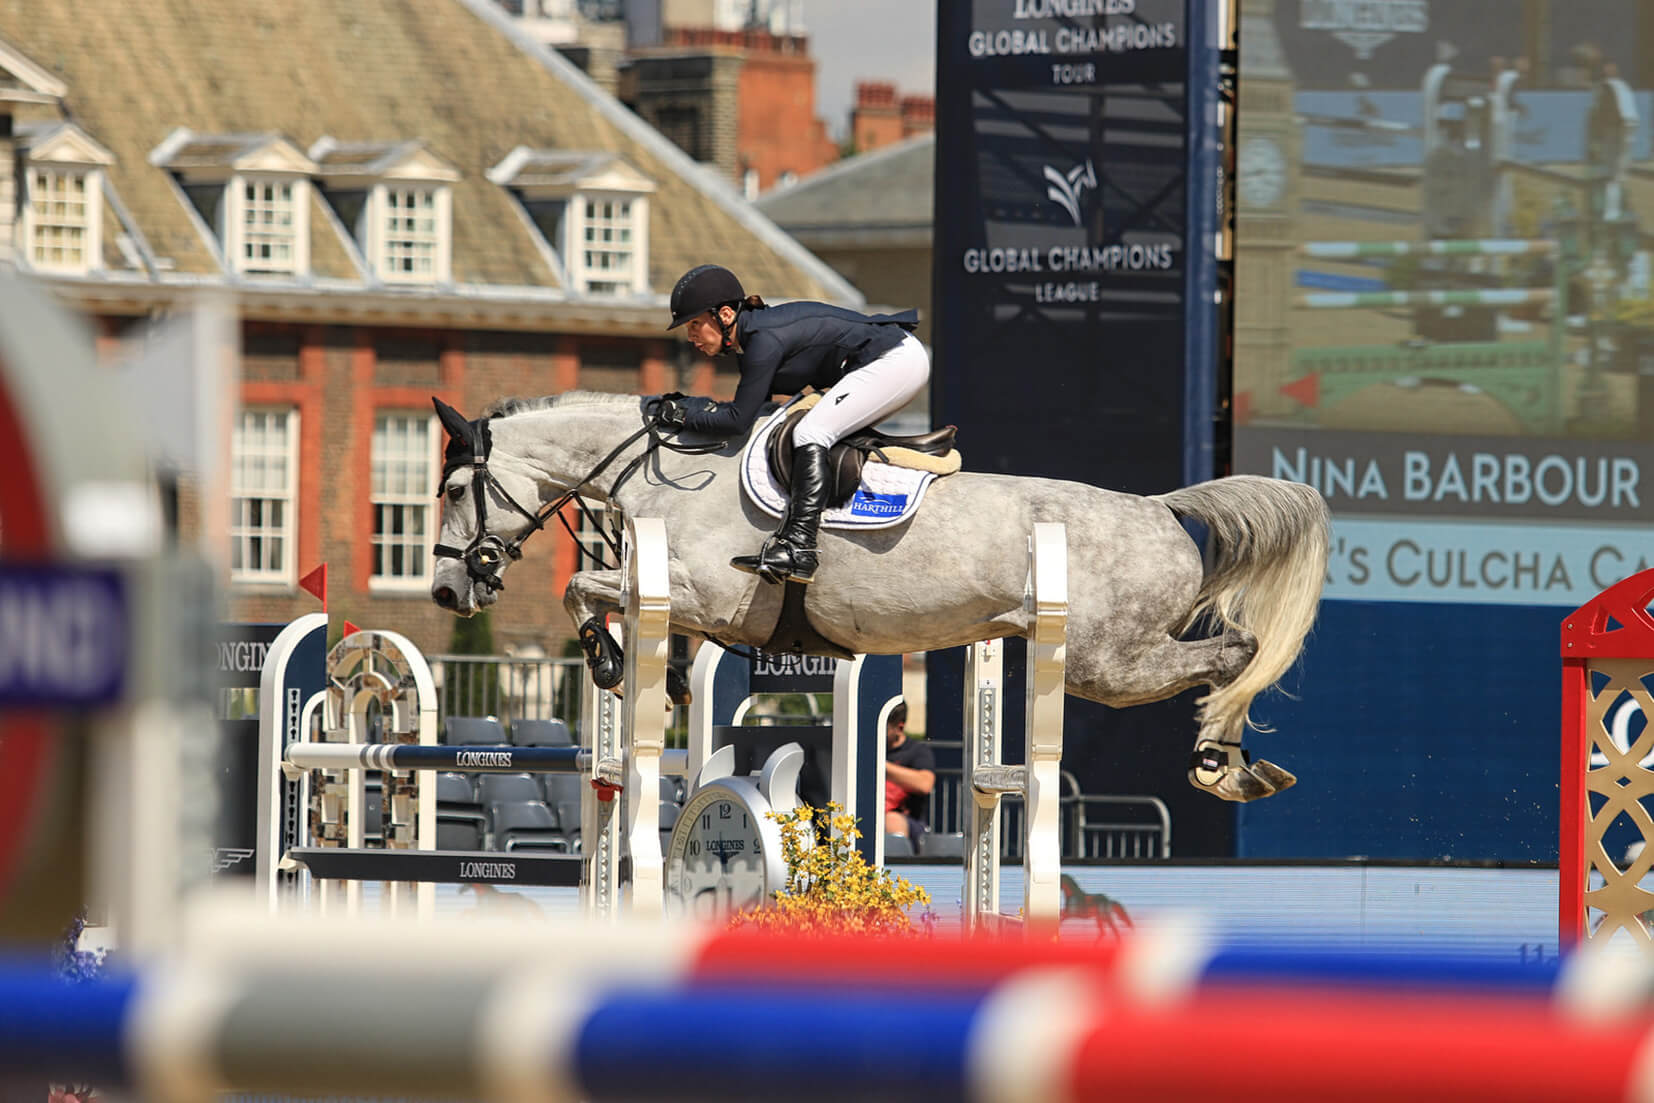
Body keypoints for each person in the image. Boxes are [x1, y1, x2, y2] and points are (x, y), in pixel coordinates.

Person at [655, 264, 929, 584]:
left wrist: (680, 414)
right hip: (889, 359)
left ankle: (800, 547)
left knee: (812, 431)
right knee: (805, 429)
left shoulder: (762, 341)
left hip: (894, 361)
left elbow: (738, 421)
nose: (691, 338)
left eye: (695, 325)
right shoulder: (752, 341)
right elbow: (759, 415)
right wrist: (691, 408)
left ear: (725, 315)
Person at [882, 702, 934, 841]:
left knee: (892, 820)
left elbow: (925, 784)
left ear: (899, 727)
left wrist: (878, 765)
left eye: (883, 729)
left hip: (909, 823)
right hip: (869, 815)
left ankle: (895, 861)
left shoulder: (918, 751)